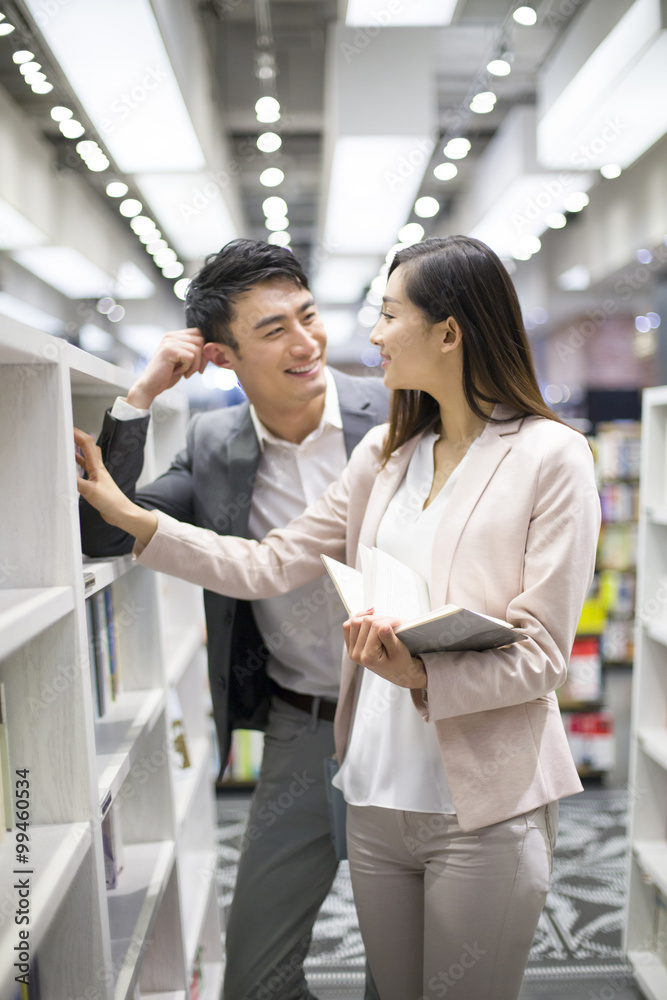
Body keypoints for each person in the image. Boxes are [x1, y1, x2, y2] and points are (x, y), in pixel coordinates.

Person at [76, 235, 601, 1000]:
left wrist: (421, 671)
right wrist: (135, 491)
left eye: (384, 315)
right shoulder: (380, 454)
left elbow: (545, 652)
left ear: (448, 332)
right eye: (274, 328)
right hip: (353, 763)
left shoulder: (539, 453)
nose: (360, 337)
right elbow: (261, 562)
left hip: (474, 776)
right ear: (226, 355)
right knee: (328, 984)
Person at [78, 238, 387, 1000]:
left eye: (307, 317)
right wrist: (139, 398)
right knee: (254, 978)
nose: (305, 342)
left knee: (410, 974)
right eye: (273, 329)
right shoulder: (215, 444)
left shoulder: (394, 412)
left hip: (407, 717)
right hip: (300, 730)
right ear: (220, 354)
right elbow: (111, 532)